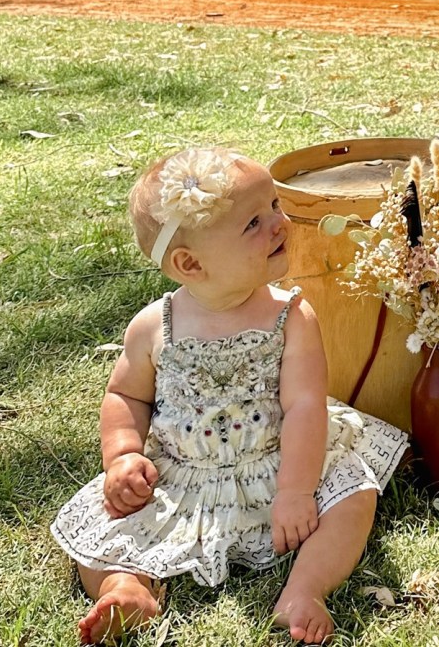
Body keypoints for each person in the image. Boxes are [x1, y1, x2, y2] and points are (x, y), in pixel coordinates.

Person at [51, 148, 409, 643]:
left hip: (283, 466)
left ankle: (304, 590)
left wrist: (296, 492)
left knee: (353, 496)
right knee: (100, 527)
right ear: (190, 262)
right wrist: (122, 456)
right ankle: (128, 588)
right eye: (254, 224)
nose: (279, 224)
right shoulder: (154, 327)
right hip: (184, 475)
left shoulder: (289, 316)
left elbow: (304, 405)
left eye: (275, 208)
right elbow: (124, 396)